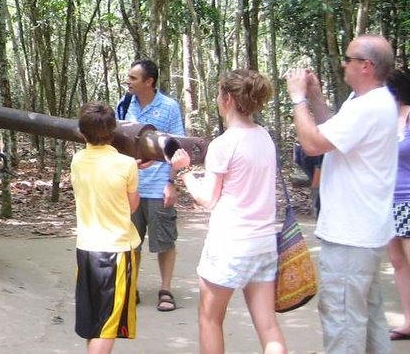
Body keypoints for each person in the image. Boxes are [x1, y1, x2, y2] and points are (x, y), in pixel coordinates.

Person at [285, 35, 397, 354]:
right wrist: (317, 98)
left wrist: (298, 100)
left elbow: (313, 143)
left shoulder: (369, 107)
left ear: (366, 66)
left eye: (347, 59)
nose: (343, 64)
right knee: (369, 316)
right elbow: (333, 131)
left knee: (343, 321)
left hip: (351, 236)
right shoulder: (367, 102)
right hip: (364, 233)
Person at [178, 69, 286, 354]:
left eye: (218, 94)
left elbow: (207, 199)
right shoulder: (264, 137)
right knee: (268, 326)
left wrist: (184, 171)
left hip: (230, 244)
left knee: (210, 319)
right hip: (263, 243)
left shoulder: (224, 144)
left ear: (226, 98)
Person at [71, 101, 142, 353]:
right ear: (114, 131)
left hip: (86, 250)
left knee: (94, 323)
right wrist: (133, 167)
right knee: (107, 326)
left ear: (82, 133)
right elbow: (132, 206)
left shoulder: (77, 160)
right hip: (116, 252)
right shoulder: (127, 165)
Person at [118, 59, 186, 311]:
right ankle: (130, 288)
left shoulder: (169, 107)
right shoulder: (124, 105)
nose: (128, 81)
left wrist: (171, 183)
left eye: (133, 78)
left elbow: (176, 147)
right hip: (131, 186)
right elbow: (117, 142)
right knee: (129, 241)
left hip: (158, 186)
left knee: (164, 241)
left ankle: (165, 290)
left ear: (149, 82)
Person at [387, 67, 410, 341]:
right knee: (397, 261)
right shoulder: (384, 119)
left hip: (408, 198)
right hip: (386, 202)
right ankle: (408, 320)